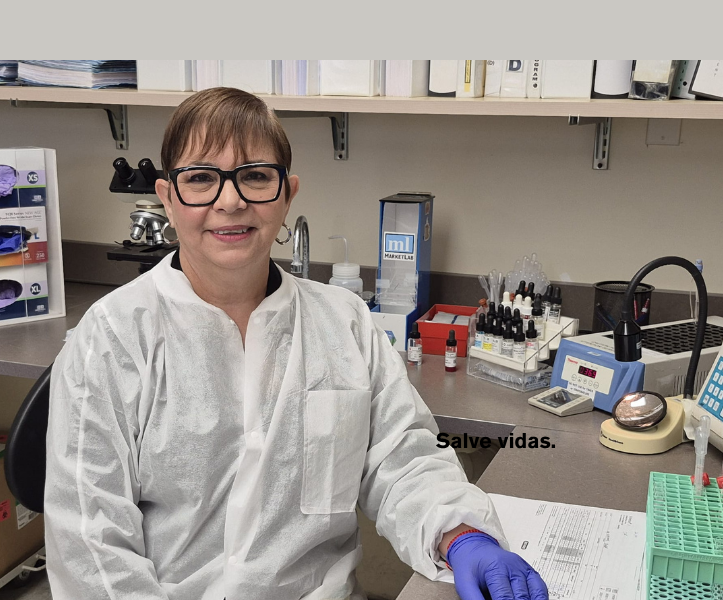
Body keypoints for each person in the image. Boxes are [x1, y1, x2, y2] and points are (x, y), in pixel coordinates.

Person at [44, 87, 548, 600]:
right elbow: (90, 543)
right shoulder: (109, 339)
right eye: (200, 178)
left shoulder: (344, 323)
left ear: (287, 194)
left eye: (255, 176)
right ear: (169, 199)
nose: (230, 200)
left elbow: (404, 459)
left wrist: (462, 537)